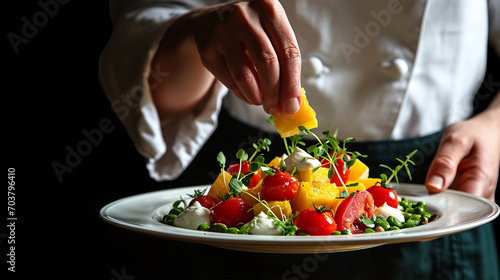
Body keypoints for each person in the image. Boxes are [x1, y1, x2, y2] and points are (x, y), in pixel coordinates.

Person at [99, 0, 500, 279]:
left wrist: (496, 124)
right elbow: (150, 88)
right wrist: (194, 30)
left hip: (434, 192)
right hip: (247, 205)